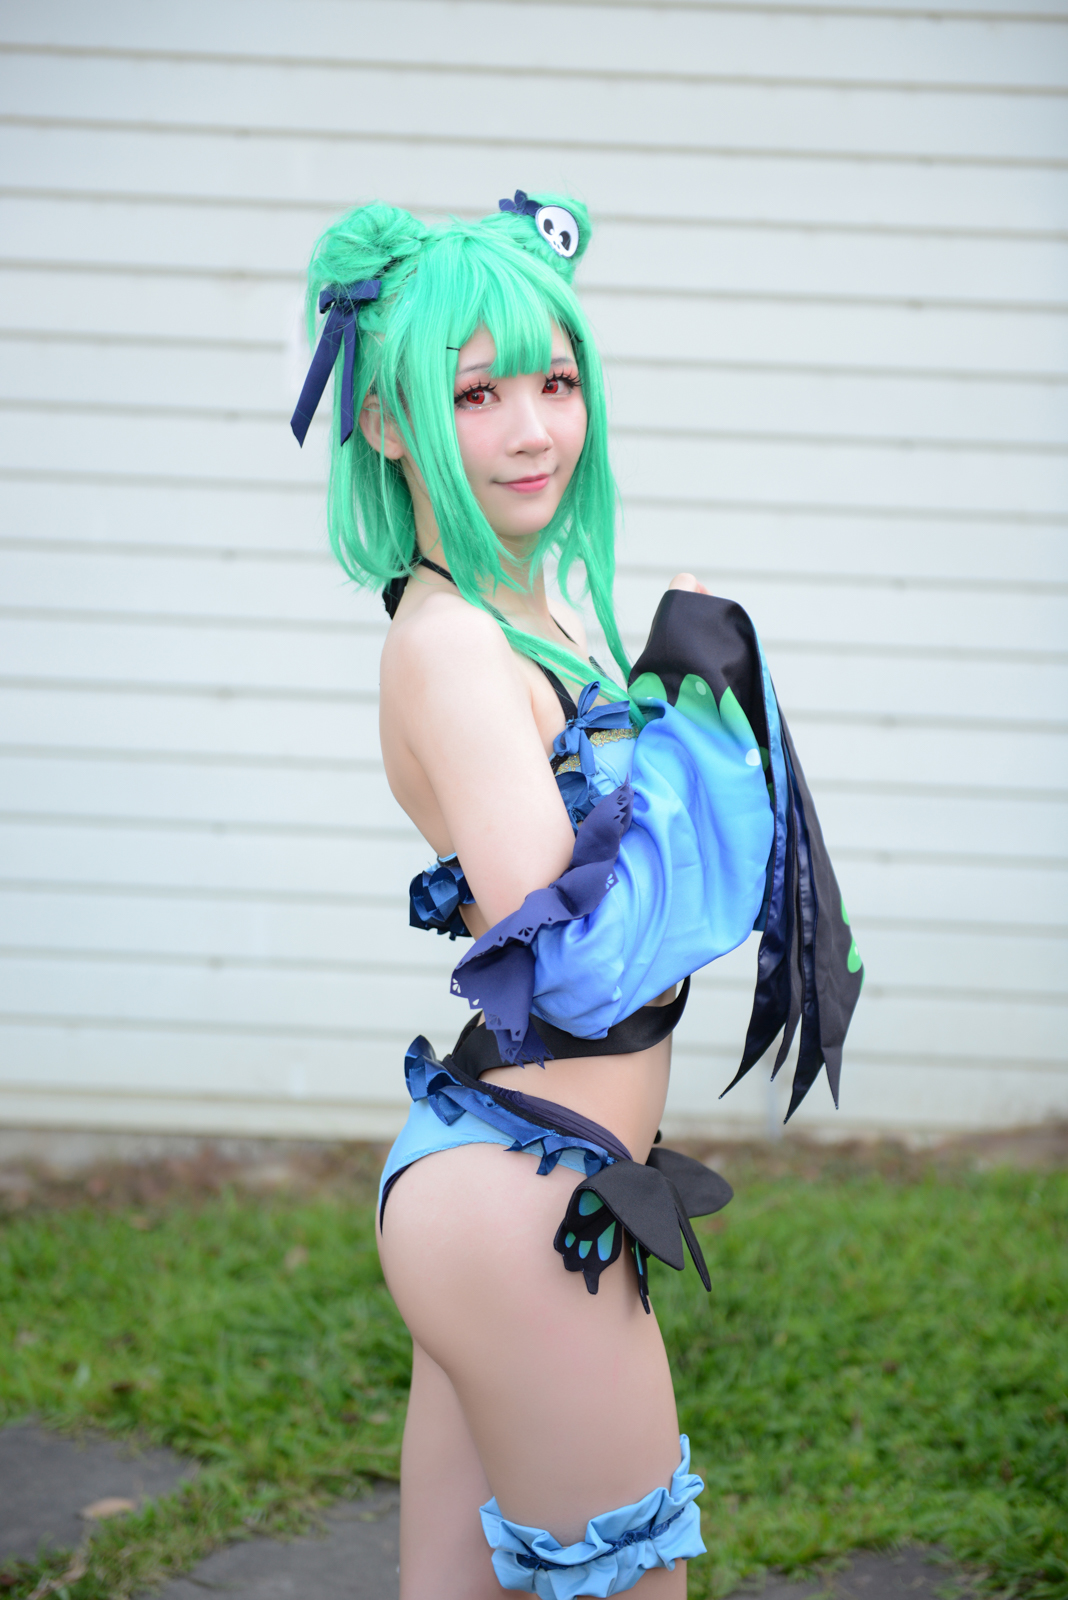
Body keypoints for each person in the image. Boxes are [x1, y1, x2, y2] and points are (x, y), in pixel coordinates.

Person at [291, 192, 862, 1598]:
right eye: (476, 394)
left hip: (516, 1177)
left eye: (556, 382)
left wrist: (683, 710)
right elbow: (587, 960)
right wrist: (704, 730)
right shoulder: (450, 646)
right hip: (519, 1205)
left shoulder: (536, 606)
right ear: (386, 421)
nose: (535, 430)